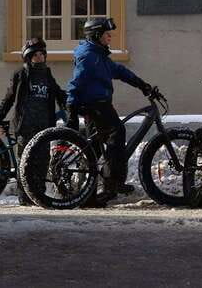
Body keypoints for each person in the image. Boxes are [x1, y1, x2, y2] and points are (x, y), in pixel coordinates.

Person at [66, 17, 153, 205]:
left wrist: (141, 84)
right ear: (97, 35)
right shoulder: (89, 56)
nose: (110, 37)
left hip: (100, 104)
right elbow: (76, 81)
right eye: (107, 34)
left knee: (95, 148)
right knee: (117, 133)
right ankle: (112, 184)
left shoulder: (99, 55)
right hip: (96, 105)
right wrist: (71, 106)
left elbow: (119, 71)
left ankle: (89, 193)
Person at [0, 37, 67, 205]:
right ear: (28, 57)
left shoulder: (47, 75)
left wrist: (70, 104)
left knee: (43, 161)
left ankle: (39, 196)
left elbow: (59, 94)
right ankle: (24, 198)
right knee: (25, 162)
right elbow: (9, 98)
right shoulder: (21, 75)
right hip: (26, 126)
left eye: (41, 54)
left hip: (44, 126)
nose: (39, 58)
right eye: (35, 55)